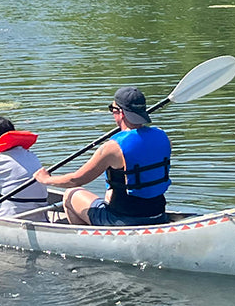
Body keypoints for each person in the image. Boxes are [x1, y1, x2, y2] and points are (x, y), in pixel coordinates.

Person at [35, 86, 170, 226]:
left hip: (123, 220)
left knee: (70, 194)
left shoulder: (112, 148)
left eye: (112, 109)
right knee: (109, 193)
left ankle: (87, 237)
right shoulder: (164, 137)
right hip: (158, 214)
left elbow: (76, 180)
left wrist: (46, 179)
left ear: (120, 113)